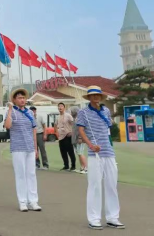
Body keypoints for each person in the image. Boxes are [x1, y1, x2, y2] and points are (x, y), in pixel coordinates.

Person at [76, 86, 124, 230]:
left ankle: (112, 217)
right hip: (94, 153)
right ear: (89, 97)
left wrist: (110, 145)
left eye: (98, 95)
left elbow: (108, 130)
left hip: (108, 152)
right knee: (95, 185)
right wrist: (91, 145)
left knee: (112, 185)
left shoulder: (106, 111)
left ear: (101, 97)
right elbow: (81, 130)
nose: (96, 97)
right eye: (93, 95)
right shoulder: (83, 112)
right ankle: (94, 218)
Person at [4, 88, 41, 212]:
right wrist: (10, 110)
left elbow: (34, 130)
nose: (22, 100)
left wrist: (35, 148)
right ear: (14, 100)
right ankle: (22, 201)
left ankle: (33, 201)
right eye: (19, 98)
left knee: (31, 174)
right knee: (20, 175)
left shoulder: (30, 112)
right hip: (18, 148)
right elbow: (7, 126)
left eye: (23, 98)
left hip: (30, 147)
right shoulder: (11, 112)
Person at [56, 102, 76, 171]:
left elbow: (74, 124)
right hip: (60, 136)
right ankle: (66, 165)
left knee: (70, 151)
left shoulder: (68, 115)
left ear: (64, 108)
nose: (60, 107)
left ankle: (73, 166)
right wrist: (57, 133)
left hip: (67, 135)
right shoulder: (58, 117)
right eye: (59, 106)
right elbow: (55, 125)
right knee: (63, 152)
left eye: (61, 106)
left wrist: (72, 132)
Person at [70, 106, 87, 174]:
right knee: (79, 153)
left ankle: (85, 168)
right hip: (75, 139)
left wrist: (80, 138)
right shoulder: (75, 119)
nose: (71, 113)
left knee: (81, 153)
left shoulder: (79, 119)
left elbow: (81, 129)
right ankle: (82, 167)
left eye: (72, 112)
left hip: (80, 139)